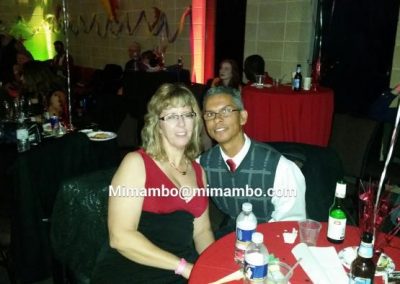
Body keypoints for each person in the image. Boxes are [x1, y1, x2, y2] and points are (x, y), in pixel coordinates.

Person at [91, 83, 215, 283]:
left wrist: (214, 265)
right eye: (172, 116)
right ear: (157, 124)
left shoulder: (199, 172)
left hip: (181, 266)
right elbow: (120, 237)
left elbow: (202, 231)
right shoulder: (136, 164)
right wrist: (183, 267)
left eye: (187, 114)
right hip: (133, 268)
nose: (182, 124)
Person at [199, 86, 306, 236]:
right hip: (232, 236)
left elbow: (291, 226)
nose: (217, 119)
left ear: (243, 117)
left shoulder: (280, 168)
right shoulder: (203, 165)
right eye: (210, 114)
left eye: (226, 111)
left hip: (272, 240)